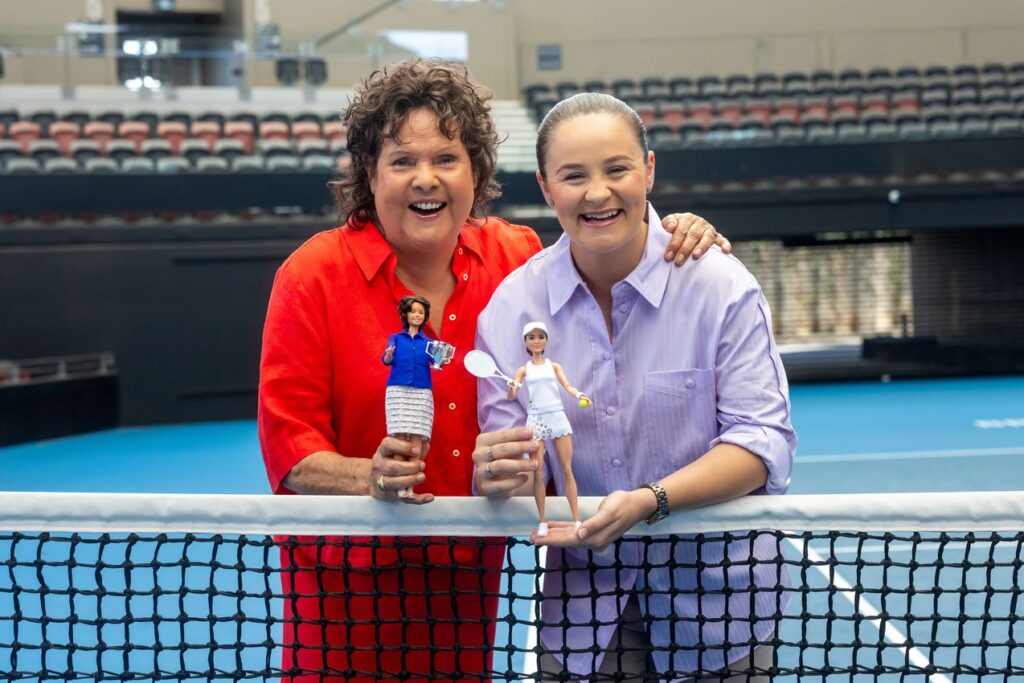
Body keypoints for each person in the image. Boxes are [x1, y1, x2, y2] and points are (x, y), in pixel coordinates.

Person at [258, 59, 730, 681]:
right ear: (368, 174)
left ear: (476, 171)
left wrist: (674, 227)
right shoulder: (311, 275)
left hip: (465, 579)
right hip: (343, 593)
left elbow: (604, 240)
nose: (425, 179)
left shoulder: (516, 257)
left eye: (447, 159)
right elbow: (290, 448)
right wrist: (364, 477)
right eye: (401, 162)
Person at [473, 92, 796, 682]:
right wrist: (501, 474)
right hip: (584, 620)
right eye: (574, 176)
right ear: (547, 188)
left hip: (723, 614)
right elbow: (524, 475)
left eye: (617, 169)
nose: (597, 193)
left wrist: (652, 500)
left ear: (648, 170)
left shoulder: (721, 288)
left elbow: (762, 443)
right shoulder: (508, 311)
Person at [507, 321, 589, 537]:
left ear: (546, 340)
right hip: (536, 420)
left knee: (567, 469)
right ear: (525, 341)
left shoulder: (554, 366)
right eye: (531, 337)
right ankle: (542, 521)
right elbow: (512, 395)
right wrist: (512, 388)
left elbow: (567, 386)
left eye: (540, 336)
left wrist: (579, 394)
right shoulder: (523, 370)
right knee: (538, 472)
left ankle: (576, 519)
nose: (536, 341)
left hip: (556, 416)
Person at [381, 295, 453, 497]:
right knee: (399, 436)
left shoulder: (429, 343)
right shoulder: (396, 338)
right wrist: (388, 355)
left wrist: (443, 358)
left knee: (416, 440)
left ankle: (409, 486)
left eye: (421, 312)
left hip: (421, 391)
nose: (417, 315)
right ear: (406, 314)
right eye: (414, 311)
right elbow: (386, 359)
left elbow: (437, 363)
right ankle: (399, 486)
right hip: (398, 390)